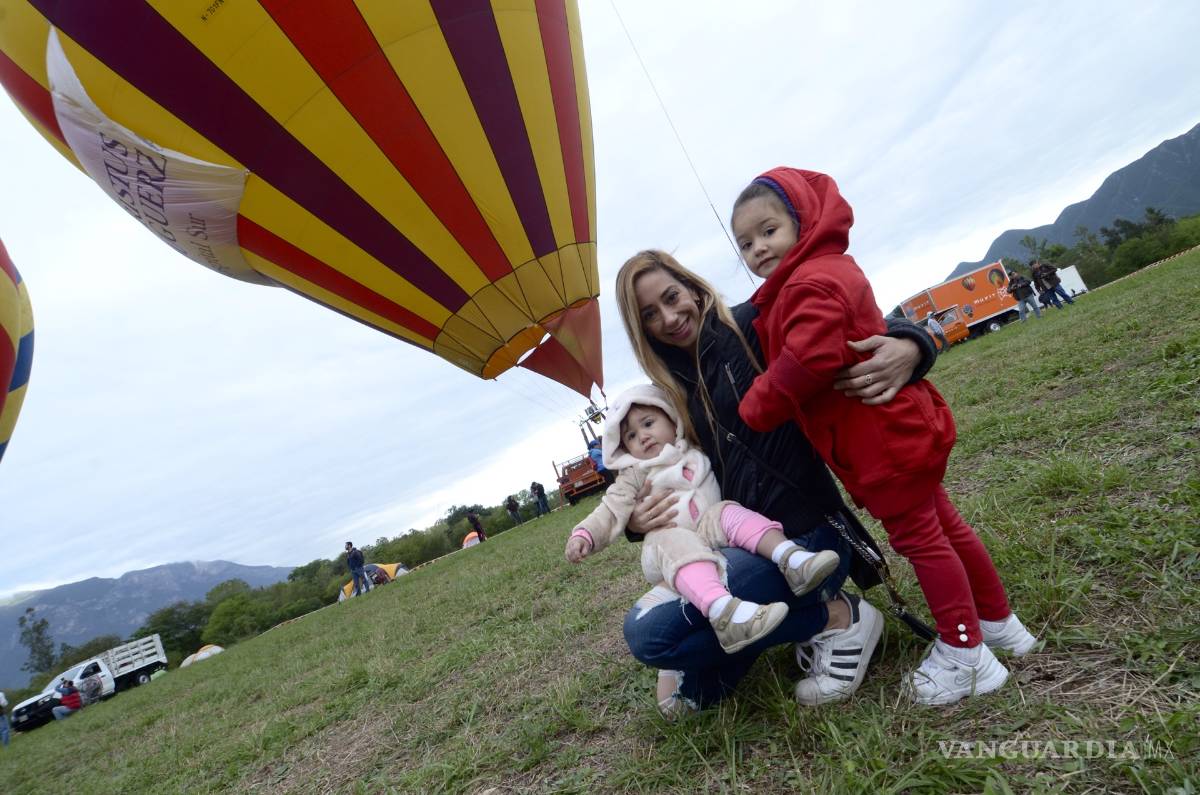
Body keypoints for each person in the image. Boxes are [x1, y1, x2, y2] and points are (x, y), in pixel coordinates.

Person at [729, 167, 1038, 705]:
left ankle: (966, 656)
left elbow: (808, 359)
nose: (757, 248)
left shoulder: (807, 283)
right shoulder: (817, 275)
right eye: (745, 243)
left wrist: (755, 405)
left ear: (802, 223)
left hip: (878, 439)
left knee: (923, 541)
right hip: (899, 429)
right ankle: (999, 623)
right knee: (947, 526)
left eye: (769, 230)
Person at [614, 248, 938, 715]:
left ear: (691, 286)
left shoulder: (750, 326)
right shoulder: (668, 395)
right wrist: (635, 522)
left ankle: (840, 617)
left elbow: (842, 324)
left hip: (807, 534)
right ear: (641, 328)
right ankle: (771, 625)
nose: (669, 317)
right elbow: (655, 475)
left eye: (671, 296)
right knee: (670, 675)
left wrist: (913, 343)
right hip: (732, 544)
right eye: (650, 314)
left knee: (654, 633)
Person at [566, 384, 840, 654]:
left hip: (709, 527)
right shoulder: (634, 473)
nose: (643, 437)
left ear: (672, 420)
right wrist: (585, 534)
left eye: (649, 423)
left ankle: (791, 558)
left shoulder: (694, 447)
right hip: (669, 542)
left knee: (728, 510)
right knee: (674, 539)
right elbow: (611, 508)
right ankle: (723, 611)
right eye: (631, 437)